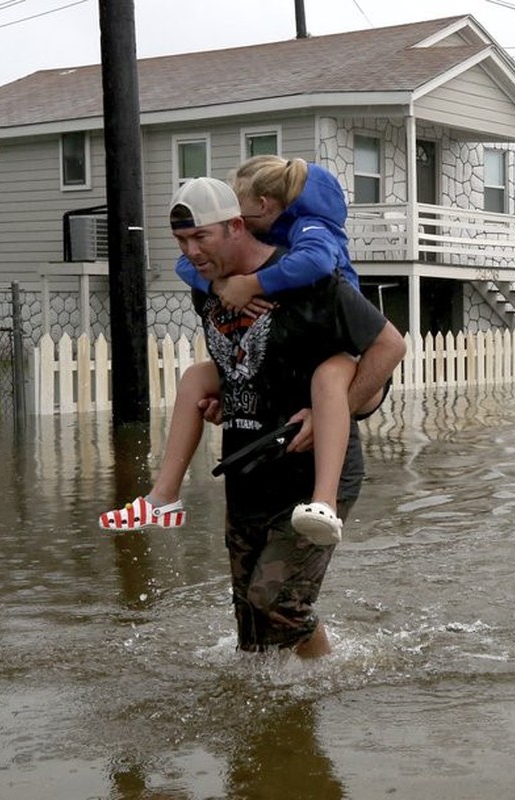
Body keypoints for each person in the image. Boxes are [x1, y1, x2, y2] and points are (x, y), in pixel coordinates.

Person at [167, 176, 405, 657]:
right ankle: (270, 720)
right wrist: (224, 402)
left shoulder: (312, 276)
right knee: (251, 630)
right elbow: (246, 363)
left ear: (237, 225)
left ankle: (324, 681)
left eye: (200, 238)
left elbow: (389, 347)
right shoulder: (207, 287)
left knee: (278, 601)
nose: (191, 252)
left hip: (312, 470)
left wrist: (334, 408)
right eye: (182, 241)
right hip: (248, 468)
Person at [99, 156, 363, 543]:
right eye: (183, 240)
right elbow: (185, 267)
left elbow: (320, 264)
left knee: (328, 379)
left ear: (261, 206)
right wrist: (221, 287)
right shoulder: (270, 238)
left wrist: (254, 284)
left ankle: (325, 501)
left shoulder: (312, 232)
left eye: (238, 205)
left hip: (344, 351)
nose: (191, 249)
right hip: (262, 448)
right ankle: (164, 496)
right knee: (195, 377)